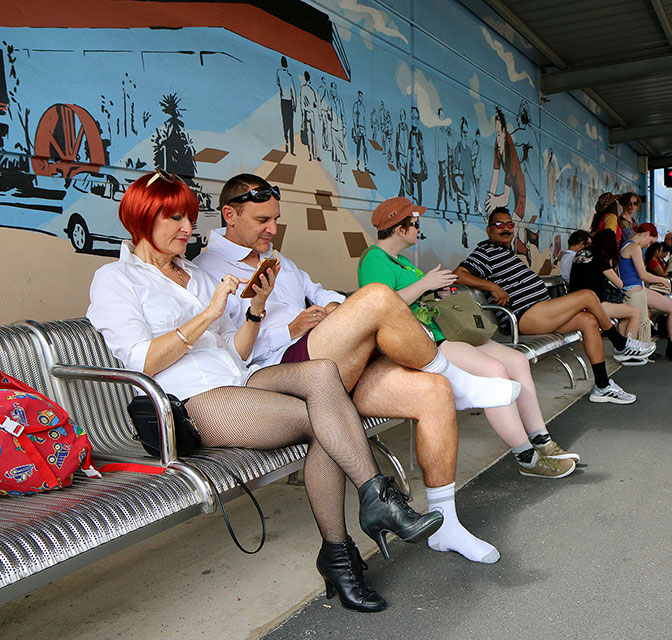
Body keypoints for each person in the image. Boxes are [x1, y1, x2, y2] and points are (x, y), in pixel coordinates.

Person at [87, 170, 446, 613]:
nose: (188, 229)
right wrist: (210, 313)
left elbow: (234, 352)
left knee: (321, 376)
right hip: (188, 402)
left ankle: (369, 512)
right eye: (175, 218)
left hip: (237, 379)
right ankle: (349, 540)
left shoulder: (194, 275)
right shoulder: (115, 279)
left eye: (190, 217)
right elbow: (141, 360)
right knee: (326, 423)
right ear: (141, 218)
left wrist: (254, 309)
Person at [195, 175, 524, 566]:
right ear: (229, 215)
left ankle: (447, 525)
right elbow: (229, 352)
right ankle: (456, 377)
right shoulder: (207, 271)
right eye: (262, 220)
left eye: (275, 219)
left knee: (433, 392)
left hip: (333, 363)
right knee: (376, 298)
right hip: (282, 376)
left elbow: (321, 292)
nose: (272, 229)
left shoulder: (278, 259)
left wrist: (335, 311)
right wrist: (290, 327)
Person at [357, 195, 578, 484]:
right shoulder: (374, 258)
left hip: (445, 331)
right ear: (399, 229)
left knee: (516, 360)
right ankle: (526, 457)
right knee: (495, 373)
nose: (418, 229)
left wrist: (437, 291)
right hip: (425, 343)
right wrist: (426, 284)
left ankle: (542, 439)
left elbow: (412, 298)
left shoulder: (398, 260)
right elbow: (379, 306)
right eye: (414, 223)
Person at [454, 207, 652, 405]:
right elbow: (459, 274)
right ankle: (620, 344)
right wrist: (492, 287)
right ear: (489, 230)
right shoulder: (485, 251)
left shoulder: (505, 252)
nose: (505, 229)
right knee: (588, 296)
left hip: (541, 310)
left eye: (509, 224)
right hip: (525, 317)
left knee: (588, 321)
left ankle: (602, 385)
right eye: (499, 225)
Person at [569, 229, 650, 361]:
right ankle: (628, 349)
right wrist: (611, 264)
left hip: (574, 302)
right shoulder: (599, 258)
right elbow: (619, 283)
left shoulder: (580, 254)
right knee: (635, 312)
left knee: (625, 314)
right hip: (593, 304)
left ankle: (623, 347)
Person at [620, 223, 672, 362]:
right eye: (650, 241)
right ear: (646, 233)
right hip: (634, 290)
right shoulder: (634, 247)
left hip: (635, 289)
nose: (649, 245)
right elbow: (643, 274)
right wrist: (662, 280)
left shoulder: (627, 245)